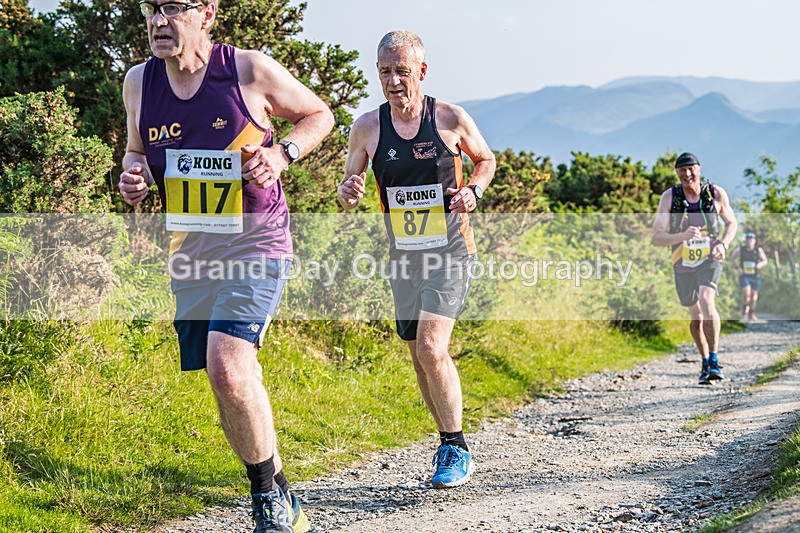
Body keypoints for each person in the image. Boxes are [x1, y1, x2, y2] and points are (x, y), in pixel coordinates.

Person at [118, 1, 334, 531]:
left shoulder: (248, 71)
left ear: (206, 14)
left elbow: (320, 115)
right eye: (151, 7)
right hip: (192, 253)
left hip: (257, 244)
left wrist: (282, 154)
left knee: (230, 368)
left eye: (172, 8)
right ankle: (280, 486)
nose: (157, 20)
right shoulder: (139, 83)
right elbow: (135, 152)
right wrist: (134, 177)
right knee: (226, 381)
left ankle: (265, 502)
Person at [337, 30, 496, 488]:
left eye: (402, 72)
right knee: (419, 355)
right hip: (403, 258)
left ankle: (455, 446)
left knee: (431, 347)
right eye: (384, 72)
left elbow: (485, 160)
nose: (393, 81)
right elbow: (350, 185)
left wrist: (473, 191)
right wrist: (349, 191)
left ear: (421, 72)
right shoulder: (368, 127)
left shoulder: (449, 118)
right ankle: (447, 439)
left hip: (450, 251)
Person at [652, 152, 738, 385]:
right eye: (683, 170)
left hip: (710, 257)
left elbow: (731, 222)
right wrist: (682, 235)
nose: (688, 174)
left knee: (707, 299)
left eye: (692, 169)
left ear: (699, 170)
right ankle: (704, 361)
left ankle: (714, 359)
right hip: (682, 261)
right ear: (676, 173)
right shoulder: (670, 198)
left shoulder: (716, 193)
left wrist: (724, 244)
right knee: (696, 315)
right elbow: (656, 237)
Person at [730, 232, 768, 321]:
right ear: (745, 240)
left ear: (754, 241)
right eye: (748, 239)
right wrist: (738, 268)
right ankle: (744, 306)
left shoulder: (758, 250)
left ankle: (751, 312)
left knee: (754, 295)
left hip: (755, 276)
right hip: (744, 275)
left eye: (751, 239)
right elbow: (733, 258)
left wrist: (759, 265)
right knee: (747, 294)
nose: (749, 241)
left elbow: (765, 260)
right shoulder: (740, 250)